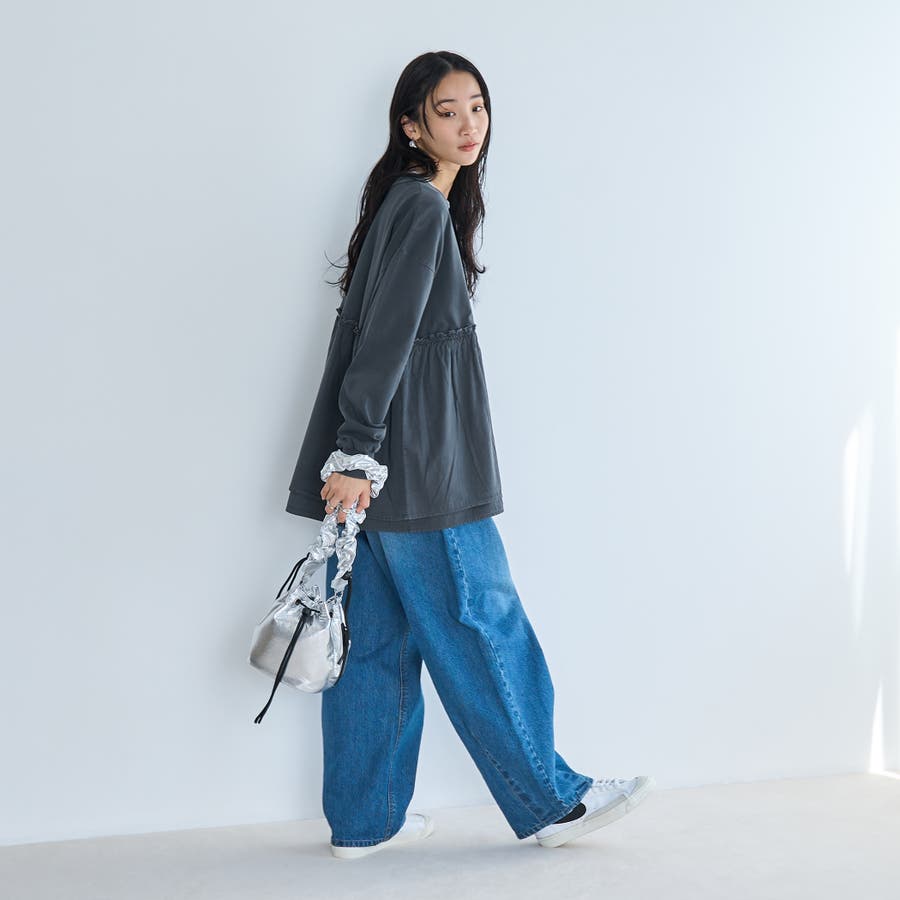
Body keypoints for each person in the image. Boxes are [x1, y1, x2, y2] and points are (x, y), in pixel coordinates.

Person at [284, 50, 655, 859]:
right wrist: (357, 451)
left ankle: (365, 821)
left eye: (477, 107)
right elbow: (386, 342)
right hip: (420, 466)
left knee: (378, 643)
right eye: (446, 111)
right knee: (481, 619)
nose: (468, 124)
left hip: (386, 466)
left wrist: (355, 457)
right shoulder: (421, 208)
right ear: (411, 126)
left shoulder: (405, 202)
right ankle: (552, 800)